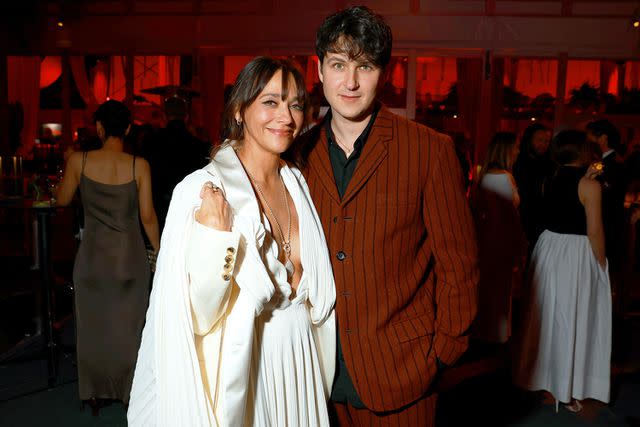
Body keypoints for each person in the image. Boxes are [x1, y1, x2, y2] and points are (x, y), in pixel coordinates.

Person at [294, 6, 478, 425]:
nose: (351, 82)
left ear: (385, 73)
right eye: (339, 65)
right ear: (319, 70)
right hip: (314, 374)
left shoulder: (429, 151)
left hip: (402, 372)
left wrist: (443, 351)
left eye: (365, 66)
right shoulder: (296, 156)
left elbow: (459, 264)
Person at [128, 57, 336, 426]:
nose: (286, 116)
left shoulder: (297, 183)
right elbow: (195, 315)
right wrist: (215, 238)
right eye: (270, 102)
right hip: (249, 364)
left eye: (296, 104)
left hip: (300, 360)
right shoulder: (199, 190)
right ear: (240, 110)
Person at [55, 100, 160, 414]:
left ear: (99, 128)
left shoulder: (78, 161)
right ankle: (129, 390)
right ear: (128, 129)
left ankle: (94, 393)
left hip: (92, 261)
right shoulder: (138, 165)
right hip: (129, 261)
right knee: (130, 328)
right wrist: (160, 252)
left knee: (93, 328)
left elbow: (61, 200)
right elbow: (148, 217)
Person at [513, 130, 611, 413]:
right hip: (576, 255)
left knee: (546, 316)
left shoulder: (548, 179)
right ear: (581, 152)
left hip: (549, 248)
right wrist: (602, 265)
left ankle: (541, 377)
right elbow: (595, 230)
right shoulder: (589, 186)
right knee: (573, 317)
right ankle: (566, 387)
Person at [470, 132, 525, 345]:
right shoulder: (502, 177)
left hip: (487, 241)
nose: (518, 151)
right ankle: (496, 338)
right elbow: (508, 218)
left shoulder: (484, 175)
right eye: (515, 147)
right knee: (499, 293)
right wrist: (518, 247)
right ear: (506, 150)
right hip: (500, 242)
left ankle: (486, 333)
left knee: (488, 291)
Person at [143, 94, 211, 232]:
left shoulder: (151, 143)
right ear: (186, 117)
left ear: (164, 116)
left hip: (159, 211)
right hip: (189, 213)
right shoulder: (199, 146)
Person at [512, 122, 553, 254]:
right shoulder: (518, 163)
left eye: (547, 141)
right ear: (529, 140)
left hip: (543, 223)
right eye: (540, 140)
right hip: (522, 221)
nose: (544, 145)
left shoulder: (549, 164)